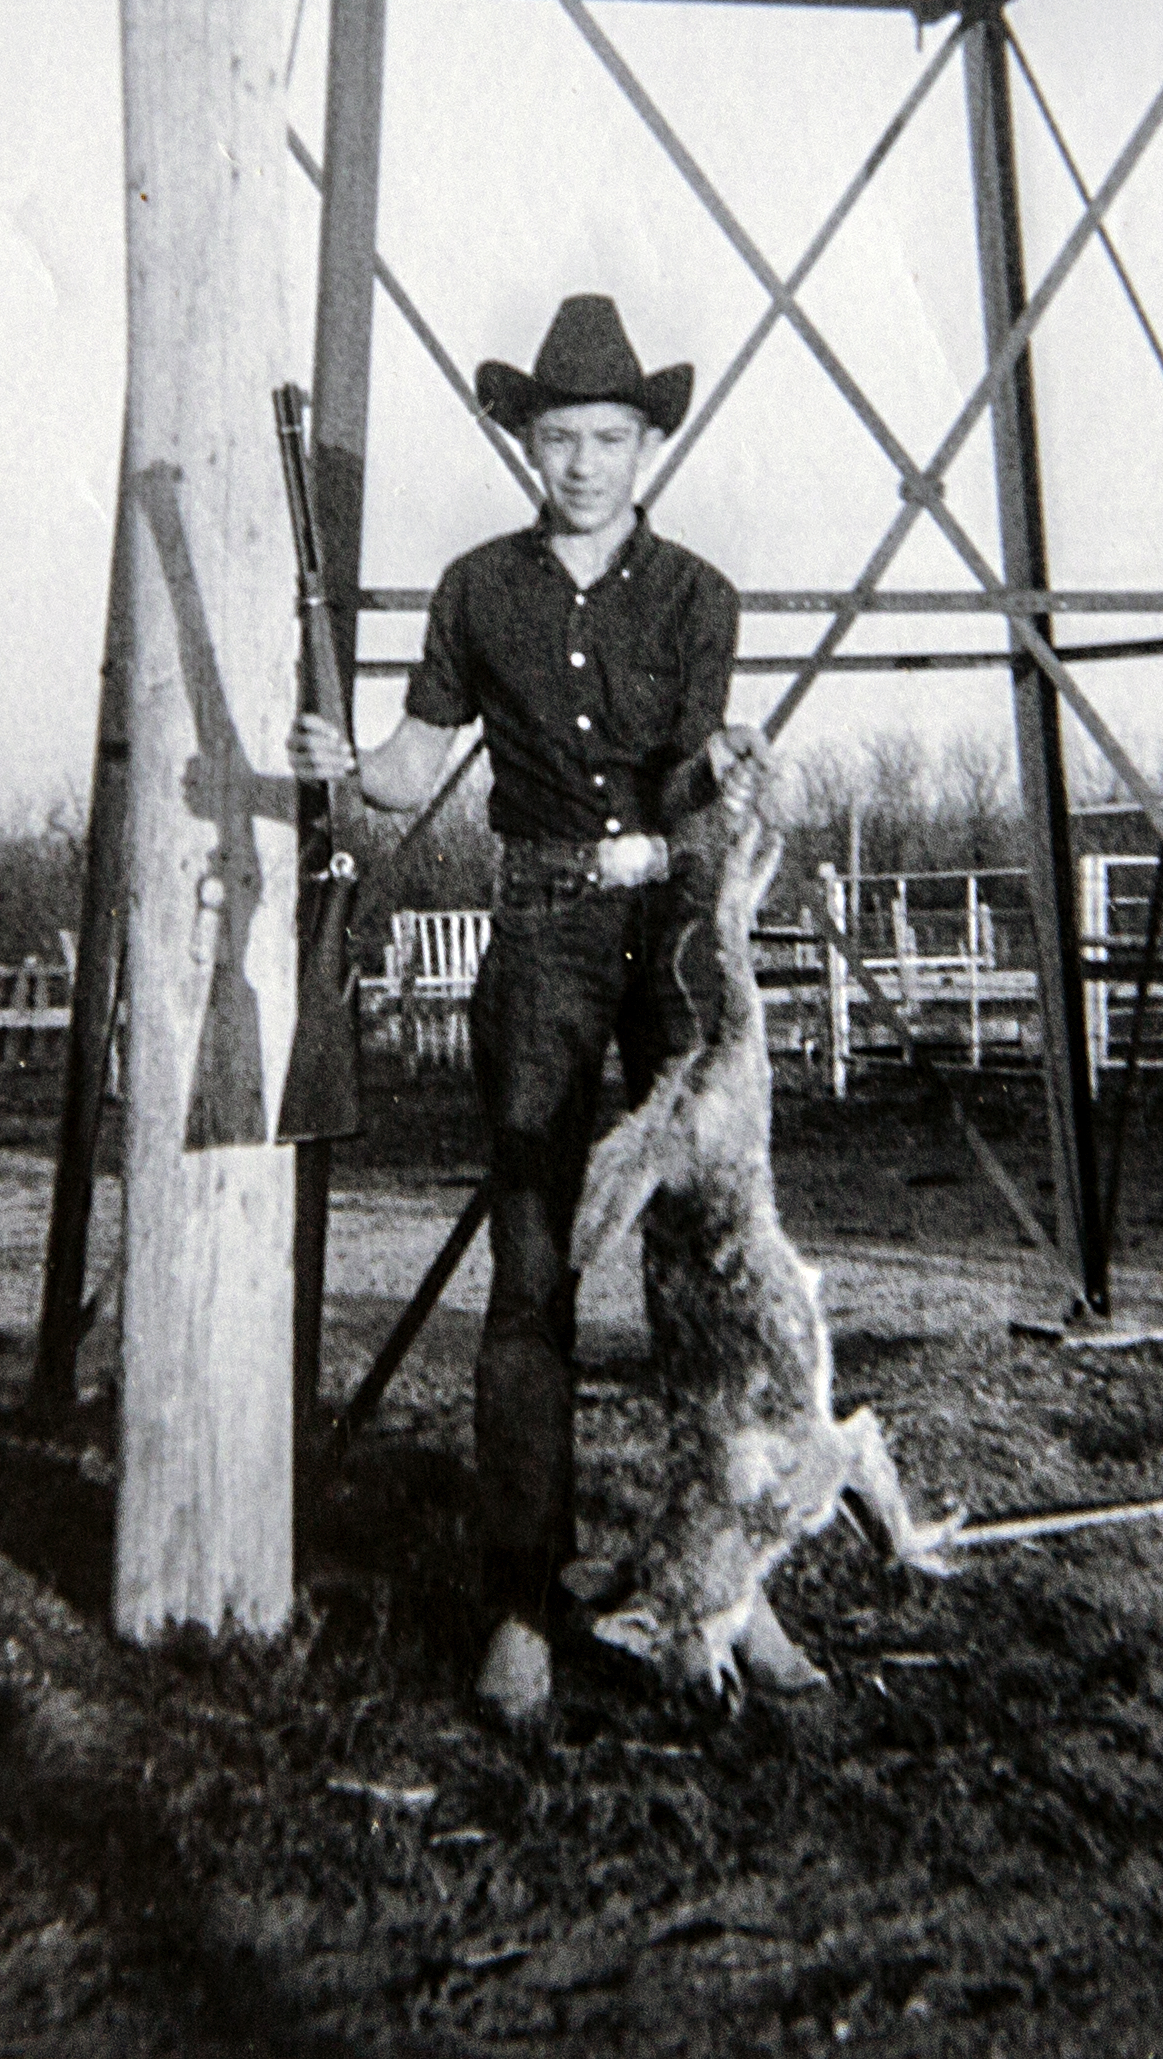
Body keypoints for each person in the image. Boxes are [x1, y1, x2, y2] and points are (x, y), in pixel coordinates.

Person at [286, 294, 772, 1729]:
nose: (582, 462)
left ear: (644, 443)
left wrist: (715, 795)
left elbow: (691, 783)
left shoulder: (698, 597)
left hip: (673, 940)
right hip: (541, 931)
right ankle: (520, 1604)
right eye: (557, 436)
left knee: (706, 1273)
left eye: (609, 436)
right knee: (532, 1264)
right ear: (527, 442)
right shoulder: (474, 589)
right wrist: (346, 758)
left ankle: (736, 1582)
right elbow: (409, 760)